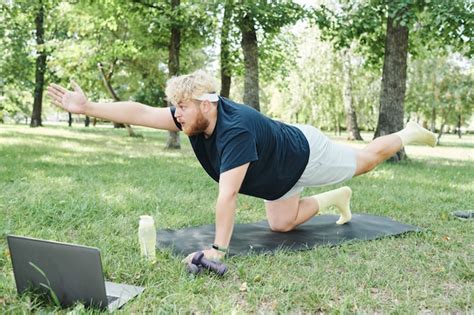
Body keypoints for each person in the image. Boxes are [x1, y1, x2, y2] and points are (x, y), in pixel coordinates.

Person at [47, 70, 436, 262]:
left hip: (304, 154)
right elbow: (143, 112)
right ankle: (335, 198)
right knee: (281, 225)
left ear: (207, 104)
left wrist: (217, 249)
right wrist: (89, 108)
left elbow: (228, 195)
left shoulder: (234, 131)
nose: (175, 114)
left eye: (182, 107)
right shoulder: (193, 117)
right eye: (176, 107)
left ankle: (409, 133)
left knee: (366, 160)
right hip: (276, 173)